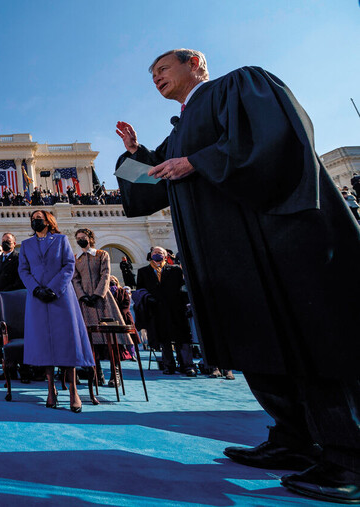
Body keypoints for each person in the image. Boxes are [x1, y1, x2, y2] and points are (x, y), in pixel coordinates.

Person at [115, 48, 360, 501]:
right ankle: (294, 438)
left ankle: (348, 457)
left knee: (308, 340)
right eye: (151, 75)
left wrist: (197, 162)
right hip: (228, 253)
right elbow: (154, 185)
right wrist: (137, 156)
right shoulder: (181, 129)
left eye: (162, 69)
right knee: (258, 341)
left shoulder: (240, 85)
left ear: (195, 63)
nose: (156, 78)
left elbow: (278, 140)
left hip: (276, 241)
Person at [18, 210, 94, 412]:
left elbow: (69, 265)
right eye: (32, 219)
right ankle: (50, 389)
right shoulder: (25, 245)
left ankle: (73, 391)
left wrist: (53, 288)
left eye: (39, 218)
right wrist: (36, 289)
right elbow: (23, 270)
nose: (35, 221)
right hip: (37, 298)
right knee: (44, 343)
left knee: (67, 341)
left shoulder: (60, 240)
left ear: (48, 221)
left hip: (61, 296)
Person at [72, 228, 131, 386]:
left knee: (111, 338)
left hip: (103, 300)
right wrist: (82, 296)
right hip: (85, 303)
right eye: (78, 238)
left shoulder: (101, 254)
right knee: (91, 338)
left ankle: (115, 373)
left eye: (83, 237)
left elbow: (106, 274)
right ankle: (96, 373)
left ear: (90, 238)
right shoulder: (76, 258)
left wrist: (98, 294)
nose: (81, 240)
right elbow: (75, 279)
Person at [133, 246, 196, 376]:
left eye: (160, 253)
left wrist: (186, 304)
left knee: (182, 337)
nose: (158, 254)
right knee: (163, 338)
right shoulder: (143, 271)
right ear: (150, 254)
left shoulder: (175, 270)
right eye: (155, 252)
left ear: (166, 255)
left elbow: (182, 288)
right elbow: (139, 290)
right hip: (157, 309)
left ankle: (187, 365)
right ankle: (169, 365)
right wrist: (147, 298)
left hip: (176, 308)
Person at [0, 233, 24, 297]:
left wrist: (5, 292)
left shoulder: (20, 258)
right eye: (3, 241)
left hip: (13, 296)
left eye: (8, 241)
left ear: (14, 244)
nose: (5, 243)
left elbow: (21, 278)